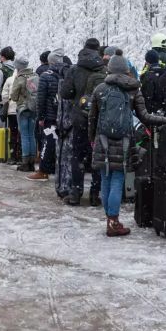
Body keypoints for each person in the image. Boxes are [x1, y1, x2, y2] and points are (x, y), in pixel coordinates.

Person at [89, 54, 166, 237]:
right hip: (123, 141)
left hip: (103, 139)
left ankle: (111, 220)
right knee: (117, 180)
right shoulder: (133, 90)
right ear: (126, 70)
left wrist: (92, 138)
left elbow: (92, 118)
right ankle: (113, 222)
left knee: (106, 179)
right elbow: (145, 117)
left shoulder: (100, 89)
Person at [60, 38, 107, 206]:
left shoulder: (74, 69)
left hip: (80, 117)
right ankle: (95, 194)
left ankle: (75, 193)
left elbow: (65, 93)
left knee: (77, 155)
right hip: (98, 119)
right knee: (97, 155)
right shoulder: (104, 70)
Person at [27, 48, 68, 181]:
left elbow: (41, 99)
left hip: (50, 117)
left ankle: (43, 170)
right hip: (65, 116)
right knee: (63, 144)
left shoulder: (46, 76)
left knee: (48, 142)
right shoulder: (68, 74)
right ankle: (60, 169)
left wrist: (41, 117)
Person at [10, 56, 37, 172]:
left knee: (24, 135)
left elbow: (14, 96)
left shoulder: (19, 78)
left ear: (18, 66)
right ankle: (32, 161)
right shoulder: (35, 76)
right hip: (33, 109)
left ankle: (25, 162)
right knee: (32, 135)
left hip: (23, 109)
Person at [1, 61, 21, 165]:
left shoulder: (10, 79)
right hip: (22, 110)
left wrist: (7, 102)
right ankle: (21, 156)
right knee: (22, 133)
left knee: (13, 133)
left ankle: (13, 156)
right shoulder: (27, 79)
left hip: (12, 111)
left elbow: (4, 95)